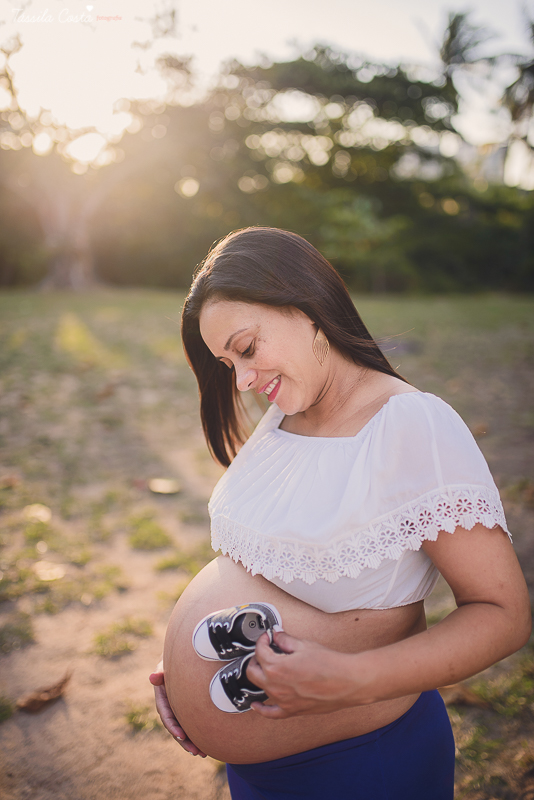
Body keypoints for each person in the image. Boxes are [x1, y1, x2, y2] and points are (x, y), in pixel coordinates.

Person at [150, 226, 531, 799]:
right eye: (228, 364)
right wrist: (182, 672)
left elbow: (504, 615)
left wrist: (351, 680)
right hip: (258, 773)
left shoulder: (412, 425)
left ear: (306, 307)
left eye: (246, 348)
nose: (244, 380)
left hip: (358, 766)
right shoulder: (285, 413)